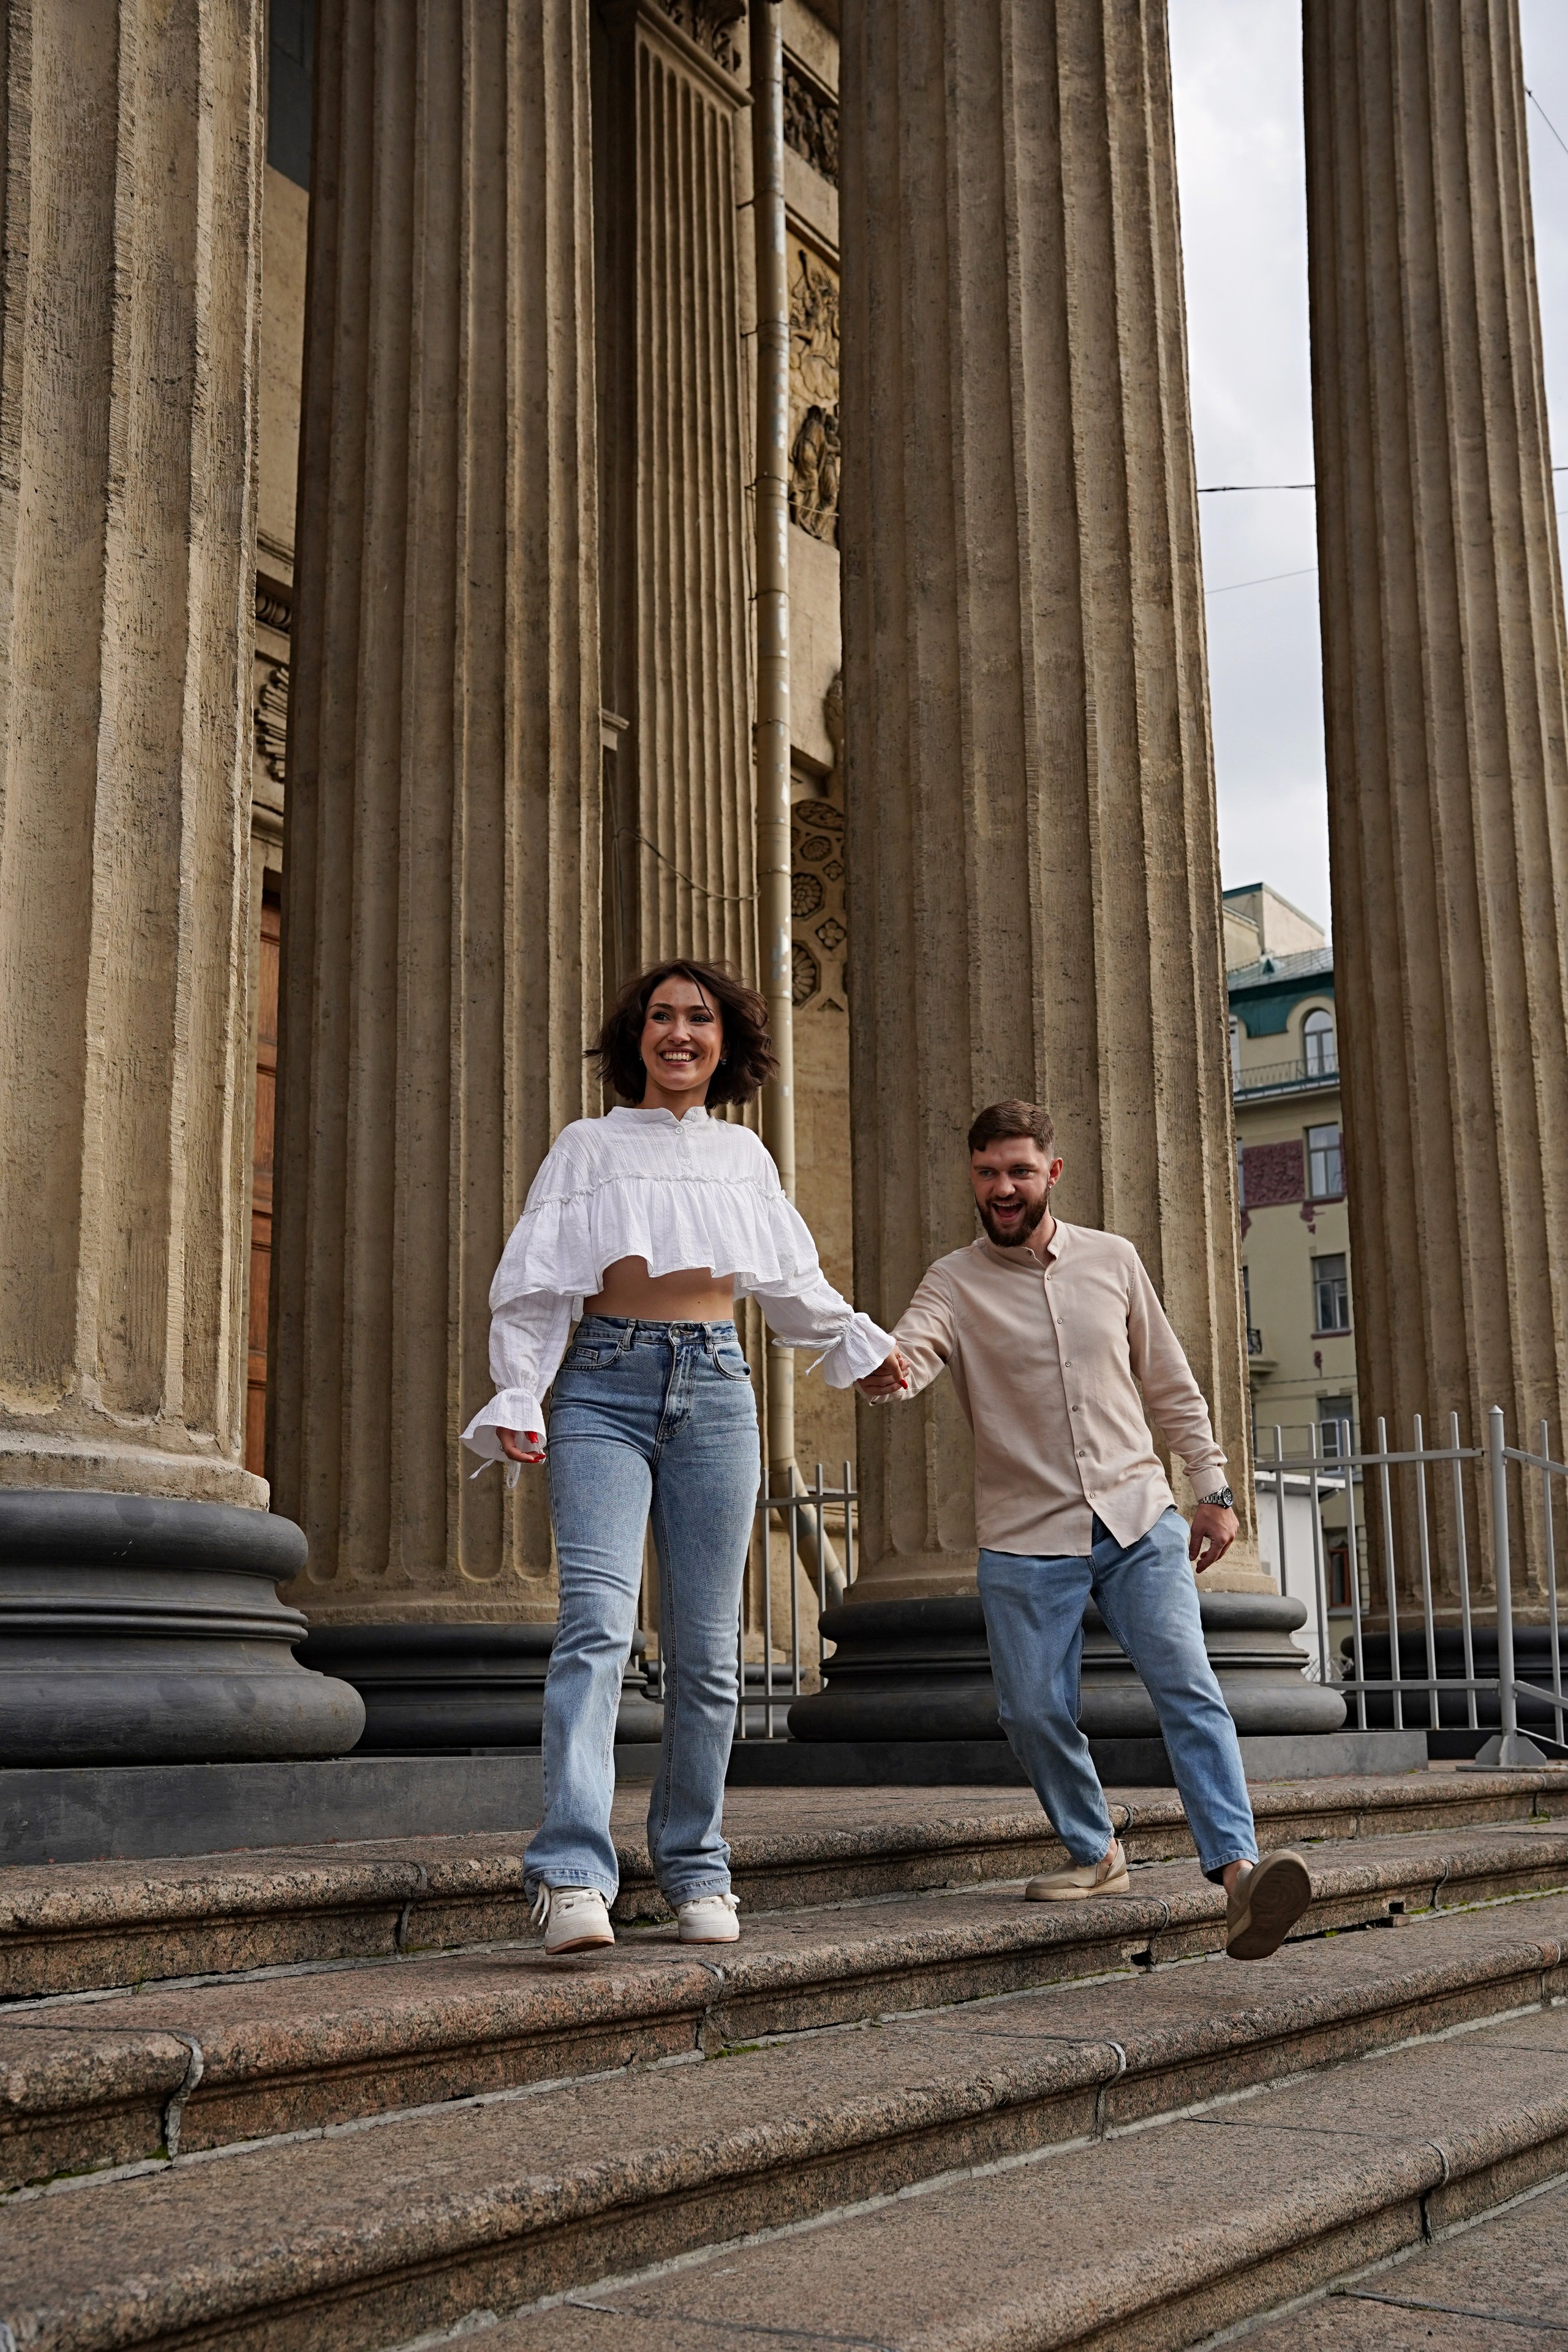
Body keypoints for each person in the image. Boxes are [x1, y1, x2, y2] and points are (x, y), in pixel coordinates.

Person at [463, 959, 902, 1957]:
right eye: (660, 1017)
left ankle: (695, 1865)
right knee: (597, 1629)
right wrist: (521, 1388)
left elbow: (792, 1279)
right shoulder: (586, 1147)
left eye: (698, 1019)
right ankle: (572, 1874)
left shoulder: (744, 1155)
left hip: (715, 1389)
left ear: (723, 1040)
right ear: (636, 1038)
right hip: (602, 1388)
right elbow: (536, 1283)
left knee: (710, 1657)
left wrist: (858, 1347)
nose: (679, 1034)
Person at [859, 1099, 1313, 1962]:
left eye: (1019, 1171)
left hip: (1137, 1516)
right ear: (972, 1175)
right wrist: (886, 1367)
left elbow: (1171, 1383)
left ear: (1051, 1174)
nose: (1003, 1187)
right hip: (1028, 1535)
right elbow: (913, 1352)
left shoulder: (1113, 1260)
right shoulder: (952, 1281)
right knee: (1032, 1710)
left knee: (1188, 1686)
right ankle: (1096, 1850)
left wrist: (1212, 1489)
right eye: (988, 1172)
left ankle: (1241, 1877)